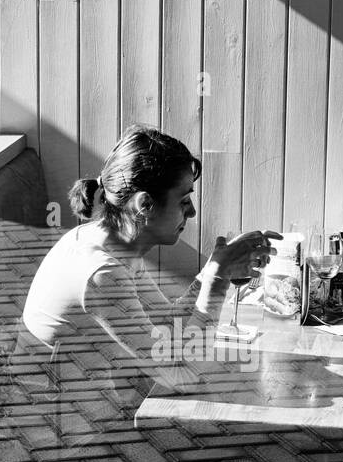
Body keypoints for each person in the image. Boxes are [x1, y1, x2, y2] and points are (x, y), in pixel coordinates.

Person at [16, 124, 280, 429]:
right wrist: (217, 279)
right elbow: (184, 377)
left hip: (84, 403)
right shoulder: (103, 273)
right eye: (183, 200)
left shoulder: (110, 241)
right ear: (144, 205)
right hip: (51, 428)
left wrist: (211, 272)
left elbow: (168, 327)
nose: (192, 212)